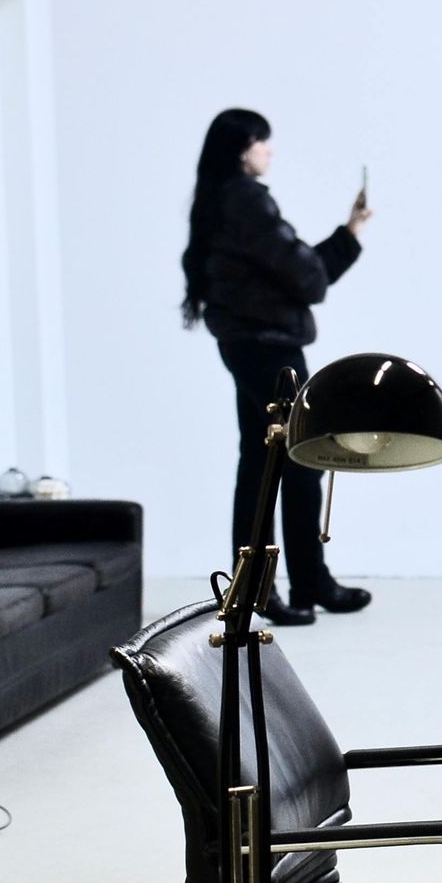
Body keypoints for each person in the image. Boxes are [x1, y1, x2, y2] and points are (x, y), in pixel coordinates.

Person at [180, 108, 373, 625]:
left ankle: (260, 590)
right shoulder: (246, 199)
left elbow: (297, 269)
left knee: (260, 464)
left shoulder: (217, 200)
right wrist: (349, 237)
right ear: (244, 147)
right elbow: (307, 277)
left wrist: (347, 233)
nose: (270, 151)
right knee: (299, 460)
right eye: (264, 142)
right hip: (271, 350)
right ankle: (304, 584)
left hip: (245, 344)